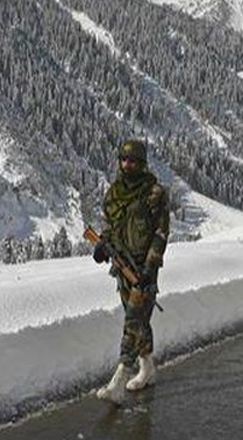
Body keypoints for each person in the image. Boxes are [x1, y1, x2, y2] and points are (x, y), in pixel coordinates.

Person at [92, 139, 170, 402]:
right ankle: (147, 367)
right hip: (121, 266)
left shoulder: (154, 192)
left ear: (143, 163)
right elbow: (107, 225)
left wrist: (150, 266)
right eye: (125, 160)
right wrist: (103, 247)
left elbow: (161, 233)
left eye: (134, 161)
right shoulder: (113, 192)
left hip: (143, 267)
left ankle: (121, 376)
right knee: (136, 318)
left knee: (133, 319)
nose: (129, 165)